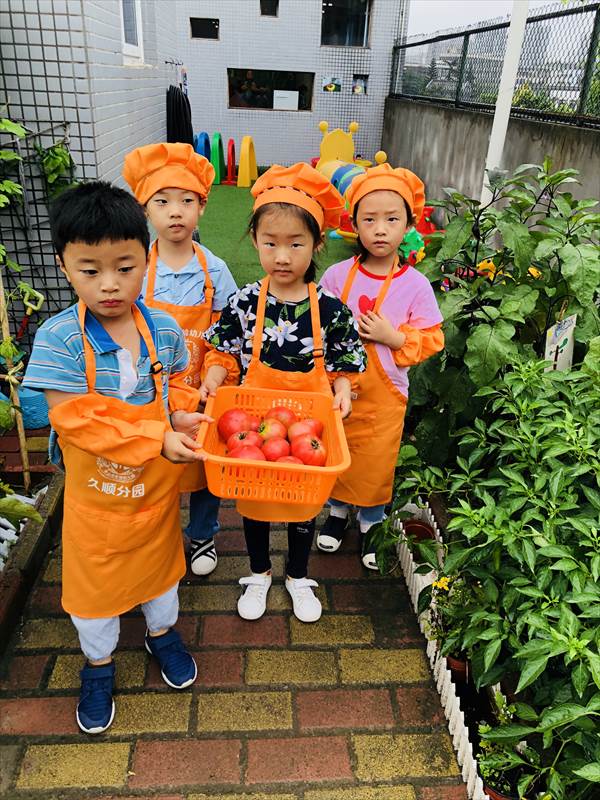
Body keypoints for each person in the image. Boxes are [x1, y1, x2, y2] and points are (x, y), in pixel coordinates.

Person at [23, 182, 211, 734]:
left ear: (145, 259)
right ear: (65, 267)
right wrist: (156, 439)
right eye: (90, 270)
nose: (109, 284)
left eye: (125, 268)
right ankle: (98, 665)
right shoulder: (58, 339)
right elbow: (75, 420)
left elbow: (172, 388)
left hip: (154, 496)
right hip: (97, 504)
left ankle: (161, 635)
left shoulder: (163, 329)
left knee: (161, 576)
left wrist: (180, 417)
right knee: (95, 595)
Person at [200, 163, 367, 623]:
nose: (282, 256)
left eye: (296, 244)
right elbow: (223, 350)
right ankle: (258, 572)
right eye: (270, 242)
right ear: (255, 240)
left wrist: (343, 389)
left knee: (302, 506)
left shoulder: (330, 309)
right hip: (253, 429)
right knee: (254, 505)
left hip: (305, 430)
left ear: (317, 244)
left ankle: (297, 575)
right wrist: (214, 375)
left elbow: (346, 360)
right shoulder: (245, 301)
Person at [317, 163, 444, 568]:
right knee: (336, 451)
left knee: (376, 461)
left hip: (385, 393)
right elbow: (317, 325)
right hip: (337, 387)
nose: (380, 230)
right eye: (369, 219)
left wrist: (395, 338)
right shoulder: (337, 276)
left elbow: (433, 337)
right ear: (353, 224)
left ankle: (372, 522)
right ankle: (337, 513)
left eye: (392, 219)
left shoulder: (415, 285)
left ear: (409, 224)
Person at [123, 143, 237, 577]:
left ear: (202, 208)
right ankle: (160, 532)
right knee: (156, 461)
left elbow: (229, 333)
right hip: (151, 392)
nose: (176, 212)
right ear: (145, 210)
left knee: (204, 466)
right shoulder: (136, 269)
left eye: (187, 201)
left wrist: (215, 375)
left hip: (203, 388)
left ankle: (203, 532)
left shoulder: (215, 270)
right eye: (162, 202)